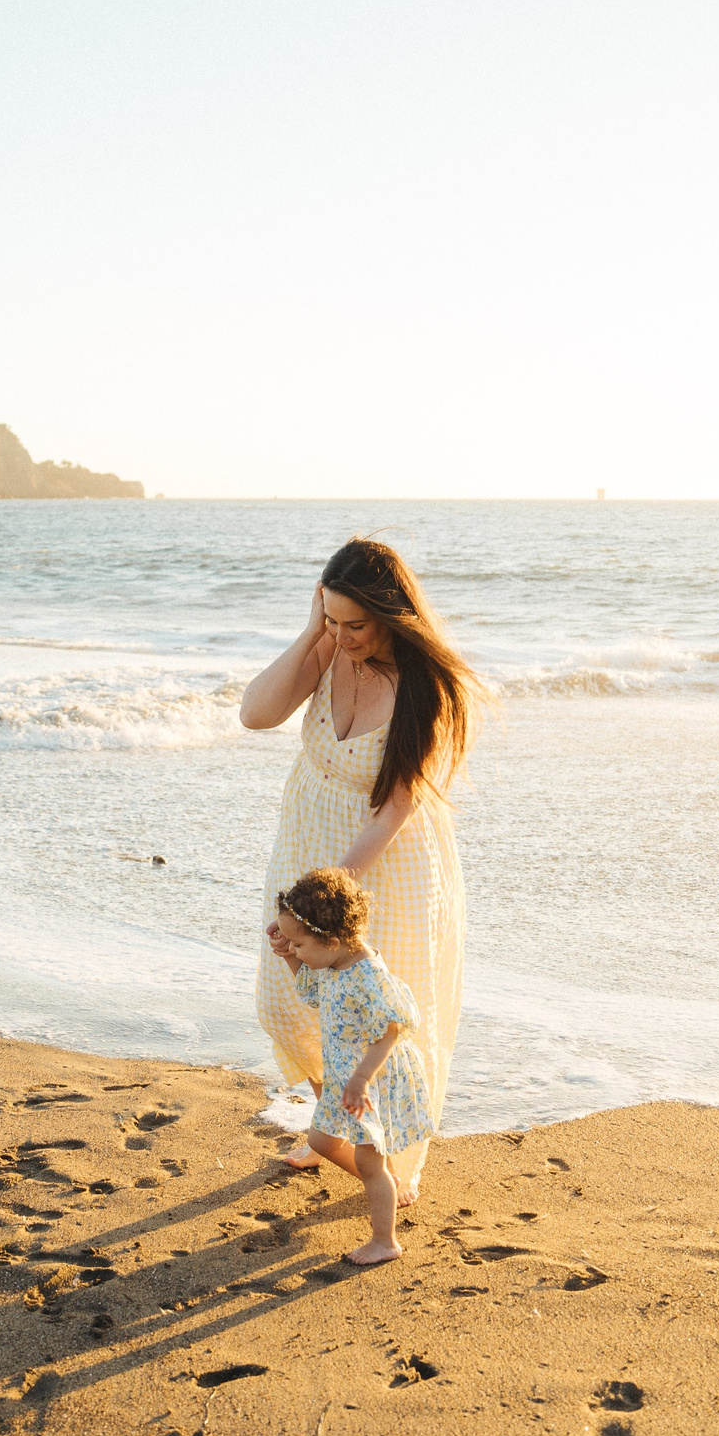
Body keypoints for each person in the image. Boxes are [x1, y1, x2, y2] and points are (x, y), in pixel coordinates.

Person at [240, 536, 480, 1198]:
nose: (343, 637)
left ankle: (389, 1164)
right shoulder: (324, 648)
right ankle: (333, 1124)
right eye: (332, 620)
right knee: (285, 1002)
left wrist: (325, 899)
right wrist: (309, 633)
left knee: (371, 1021)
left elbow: (393, 811)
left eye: (357, 625)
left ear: (392, 616)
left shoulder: (423, 689)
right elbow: (255, 714)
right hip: (304, 840)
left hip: (384, 869)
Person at [269, 868, 434, 1265]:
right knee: (323, 1142)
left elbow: (392, 1029)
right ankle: (389, 1185)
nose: (295, 949)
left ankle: (384, 1240)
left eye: (300, 943)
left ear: (332, 939)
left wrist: (361, 1080)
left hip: (369, 1080)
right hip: (347, 1076)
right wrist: (292, 957)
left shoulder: (367, 976)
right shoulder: (334, 962)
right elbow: (312, 993)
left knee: (368, 1161)